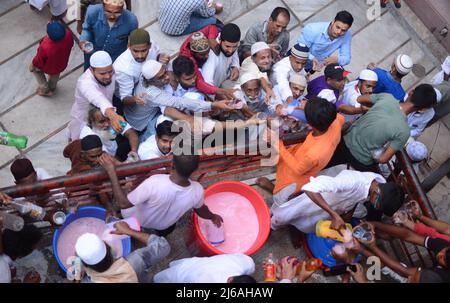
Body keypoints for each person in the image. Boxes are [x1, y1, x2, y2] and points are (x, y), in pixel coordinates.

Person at [258, 98, 346, 231]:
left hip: (296, 178)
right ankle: (273, 188)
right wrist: (295, 110)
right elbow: (338, 118)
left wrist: (277, 143)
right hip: (303, 159)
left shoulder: (315, 152)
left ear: (311, 124)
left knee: (281, 201)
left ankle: (271, 222)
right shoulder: (335, 120)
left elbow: (298, 169)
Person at [99, 152, 223, 237]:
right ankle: (159, 235)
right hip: (163, 225)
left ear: (172, 165)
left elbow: (123, 203)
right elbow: (202, 210)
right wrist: (213, 217)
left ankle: (130, 233)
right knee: (165, 229)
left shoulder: (155, 181)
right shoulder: (197, 190)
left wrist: (111, 172)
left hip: (135, 218)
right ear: (195, 170)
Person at [326, 84, 437, 172]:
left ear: (411, 92)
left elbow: (359, 99)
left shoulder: (386, 97)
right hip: (360, 161)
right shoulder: (404, 132)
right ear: (423, 109)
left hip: (344, 141)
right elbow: (383, 159)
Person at [124, 60, 232, 142]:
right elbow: (179, 102)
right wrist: (213, 105)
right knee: (159, 128)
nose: (167, 77)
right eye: (161, 77)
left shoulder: (148, 74)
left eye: (165, 72)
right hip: (142, 122)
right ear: (151, 81)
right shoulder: (152, 94)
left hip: (148, 110)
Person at [271, 169, 405, 232]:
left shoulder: (378, 182)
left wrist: (346, 216)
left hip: (334, 206)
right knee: (283, 216)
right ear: (377, 193)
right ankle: (271, 226)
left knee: (307, 224)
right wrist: (334, 215)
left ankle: (292, 228)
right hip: (317, 199)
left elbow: (357, 199)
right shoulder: (352, 181)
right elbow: (310, 189)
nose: (373, 206)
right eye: (376, 205)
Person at [75, 221, 170, 283]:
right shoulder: (135, 262)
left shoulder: (89, 281)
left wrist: (77, 272)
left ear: (86, 266)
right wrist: (129, 231)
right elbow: (163, 246)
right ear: (109, 249)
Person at [68, 51, 125, 141]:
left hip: (105, 117)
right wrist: (113, 116)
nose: (107, 76)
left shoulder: (112, 73)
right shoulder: (85, 82)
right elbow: (98, 98)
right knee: (80, 142)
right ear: (91, 70)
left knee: (108, 139)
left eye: (110, 71)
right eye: (102, 73)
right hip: (84, 119)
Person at [113, 28, 169, 114]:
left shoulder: (152, 45)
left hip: (151, 81)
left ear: (149, 46)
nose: (140, 56)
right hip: (135, 91)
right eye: (135, 51)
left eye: (144, 51)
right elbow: (125, 98)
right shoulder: (122, 69)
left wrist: (160, 57)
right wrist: (135, 99)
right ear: (129, 46)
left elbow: (158, 54)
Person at [179, 27, 237, 99]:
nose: (207, 56)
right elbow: (200, 82)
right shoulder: (189, 59)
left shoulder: (198, 36)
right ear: (194, 53)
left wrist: (211, 38)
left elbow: (212, 27)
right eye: (202, 54)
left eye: (207, 52)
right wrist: (220, 91)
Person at [79, 0, 138, 69]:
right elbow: (87, 29)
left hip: (114, 57)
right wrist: (83, 40)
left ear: (122, 8)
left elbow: (133, 42)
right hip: (92, 52)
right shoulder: (92, 11)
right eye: (108, 12)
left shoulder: (131, 20)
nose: (112, 16)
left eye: (117, 13)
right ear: (103, 6)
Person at [29, 21, 74, 96]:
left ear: (49, 36)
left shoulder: (46, 46)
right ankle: (52, 87)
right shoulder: (68, 35)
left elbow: (39, 60)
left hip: (49, 67)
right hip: (61, 64)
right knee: (55, 74)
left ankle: (45, 89)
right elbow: (71, 44)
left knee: (36, 71)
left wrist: (33, 65)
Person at [153, 253, 256, 283]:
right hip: (181, 275)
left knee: (171, 270)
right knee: (160, 280)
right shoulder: (205, 280)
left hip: (191, 264)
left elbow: (250, 265)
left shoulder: (243, 263)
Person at [201, 23, 241, 88]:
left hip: (224, 82)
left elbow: (234, 53)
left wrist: (235, 66)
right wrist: (218, 95)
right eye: (227, 46)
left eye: (234, 47)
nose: (231, 50)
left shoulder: (232, 45)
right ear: (219, 40)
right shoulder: (212, 55)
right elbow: (207, 82)